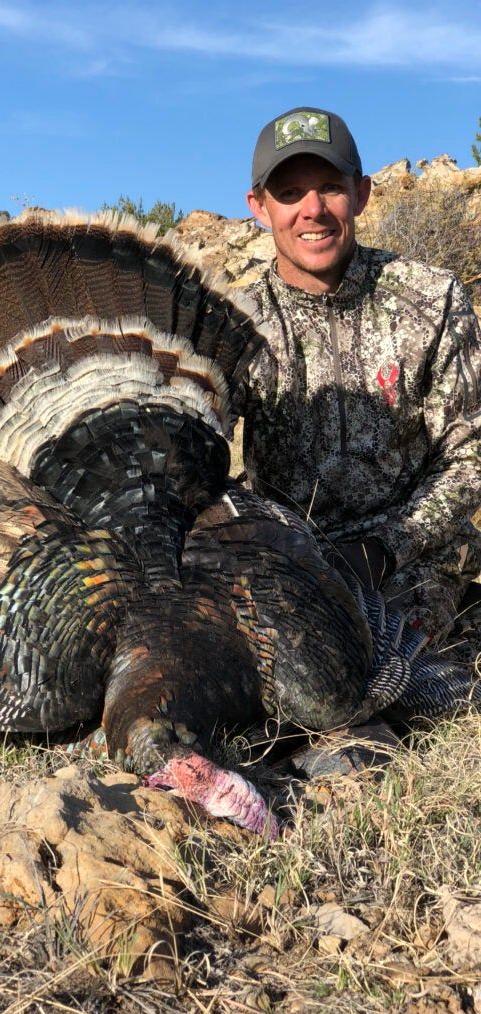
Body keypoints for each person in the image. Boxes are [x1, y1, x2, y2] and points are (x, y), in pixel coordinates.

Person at [230, 106, 481, 658]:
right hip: (286, 564)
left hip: (416, 554)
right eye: (289, 192)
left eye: (330, 188)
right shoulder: (233, 323)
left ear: (361, 194)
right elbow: (192, 459)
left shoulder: (431, 299)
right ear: (259, 208)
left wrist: (385, 547)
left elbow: (471, 454)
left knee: (372, 661)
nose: (313, 210)